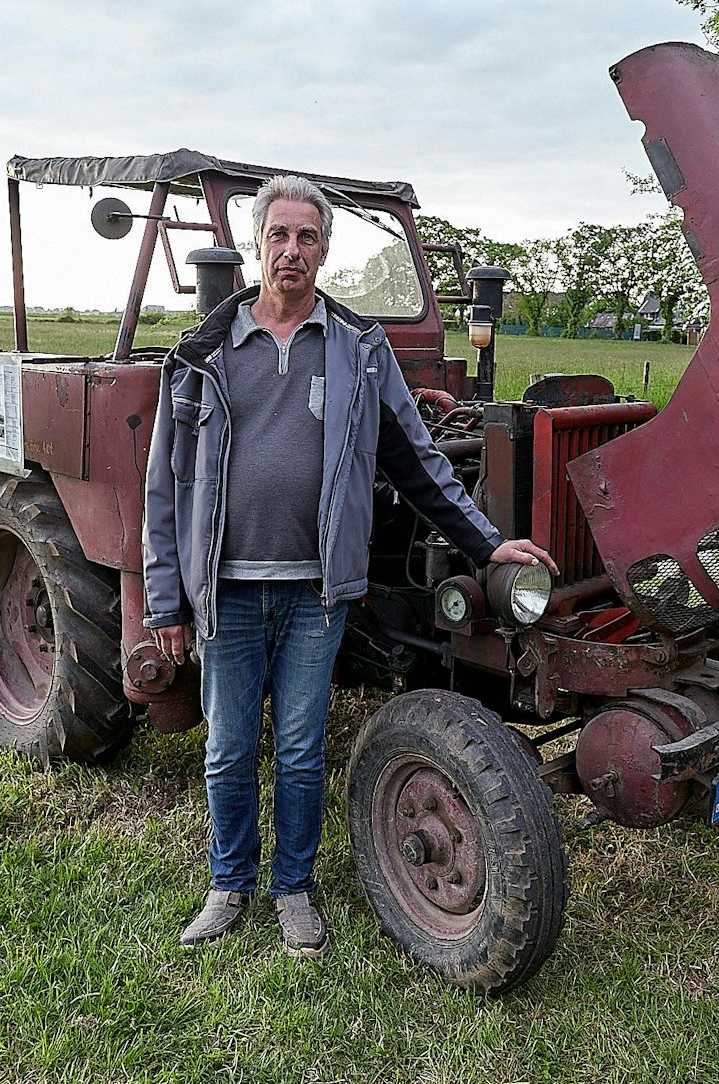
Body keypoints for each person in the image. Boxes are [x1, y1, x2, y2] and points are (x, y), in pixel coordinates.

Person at [141, 174, 555, 956]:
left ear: (324, 250)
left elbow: (421, 460)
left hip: (315, 592)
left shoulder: (360, 350)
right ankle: (229, 883)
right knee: (228, 745)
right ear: (257, 246)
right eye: (279, 236)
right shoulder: (201, 356)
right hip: (226, 588)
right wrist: (166, 602)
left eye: (307, 238)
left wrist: (486, 543)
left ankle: (293, 887)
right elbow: (165, 486)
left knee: (299, 748)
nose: (291, 250)